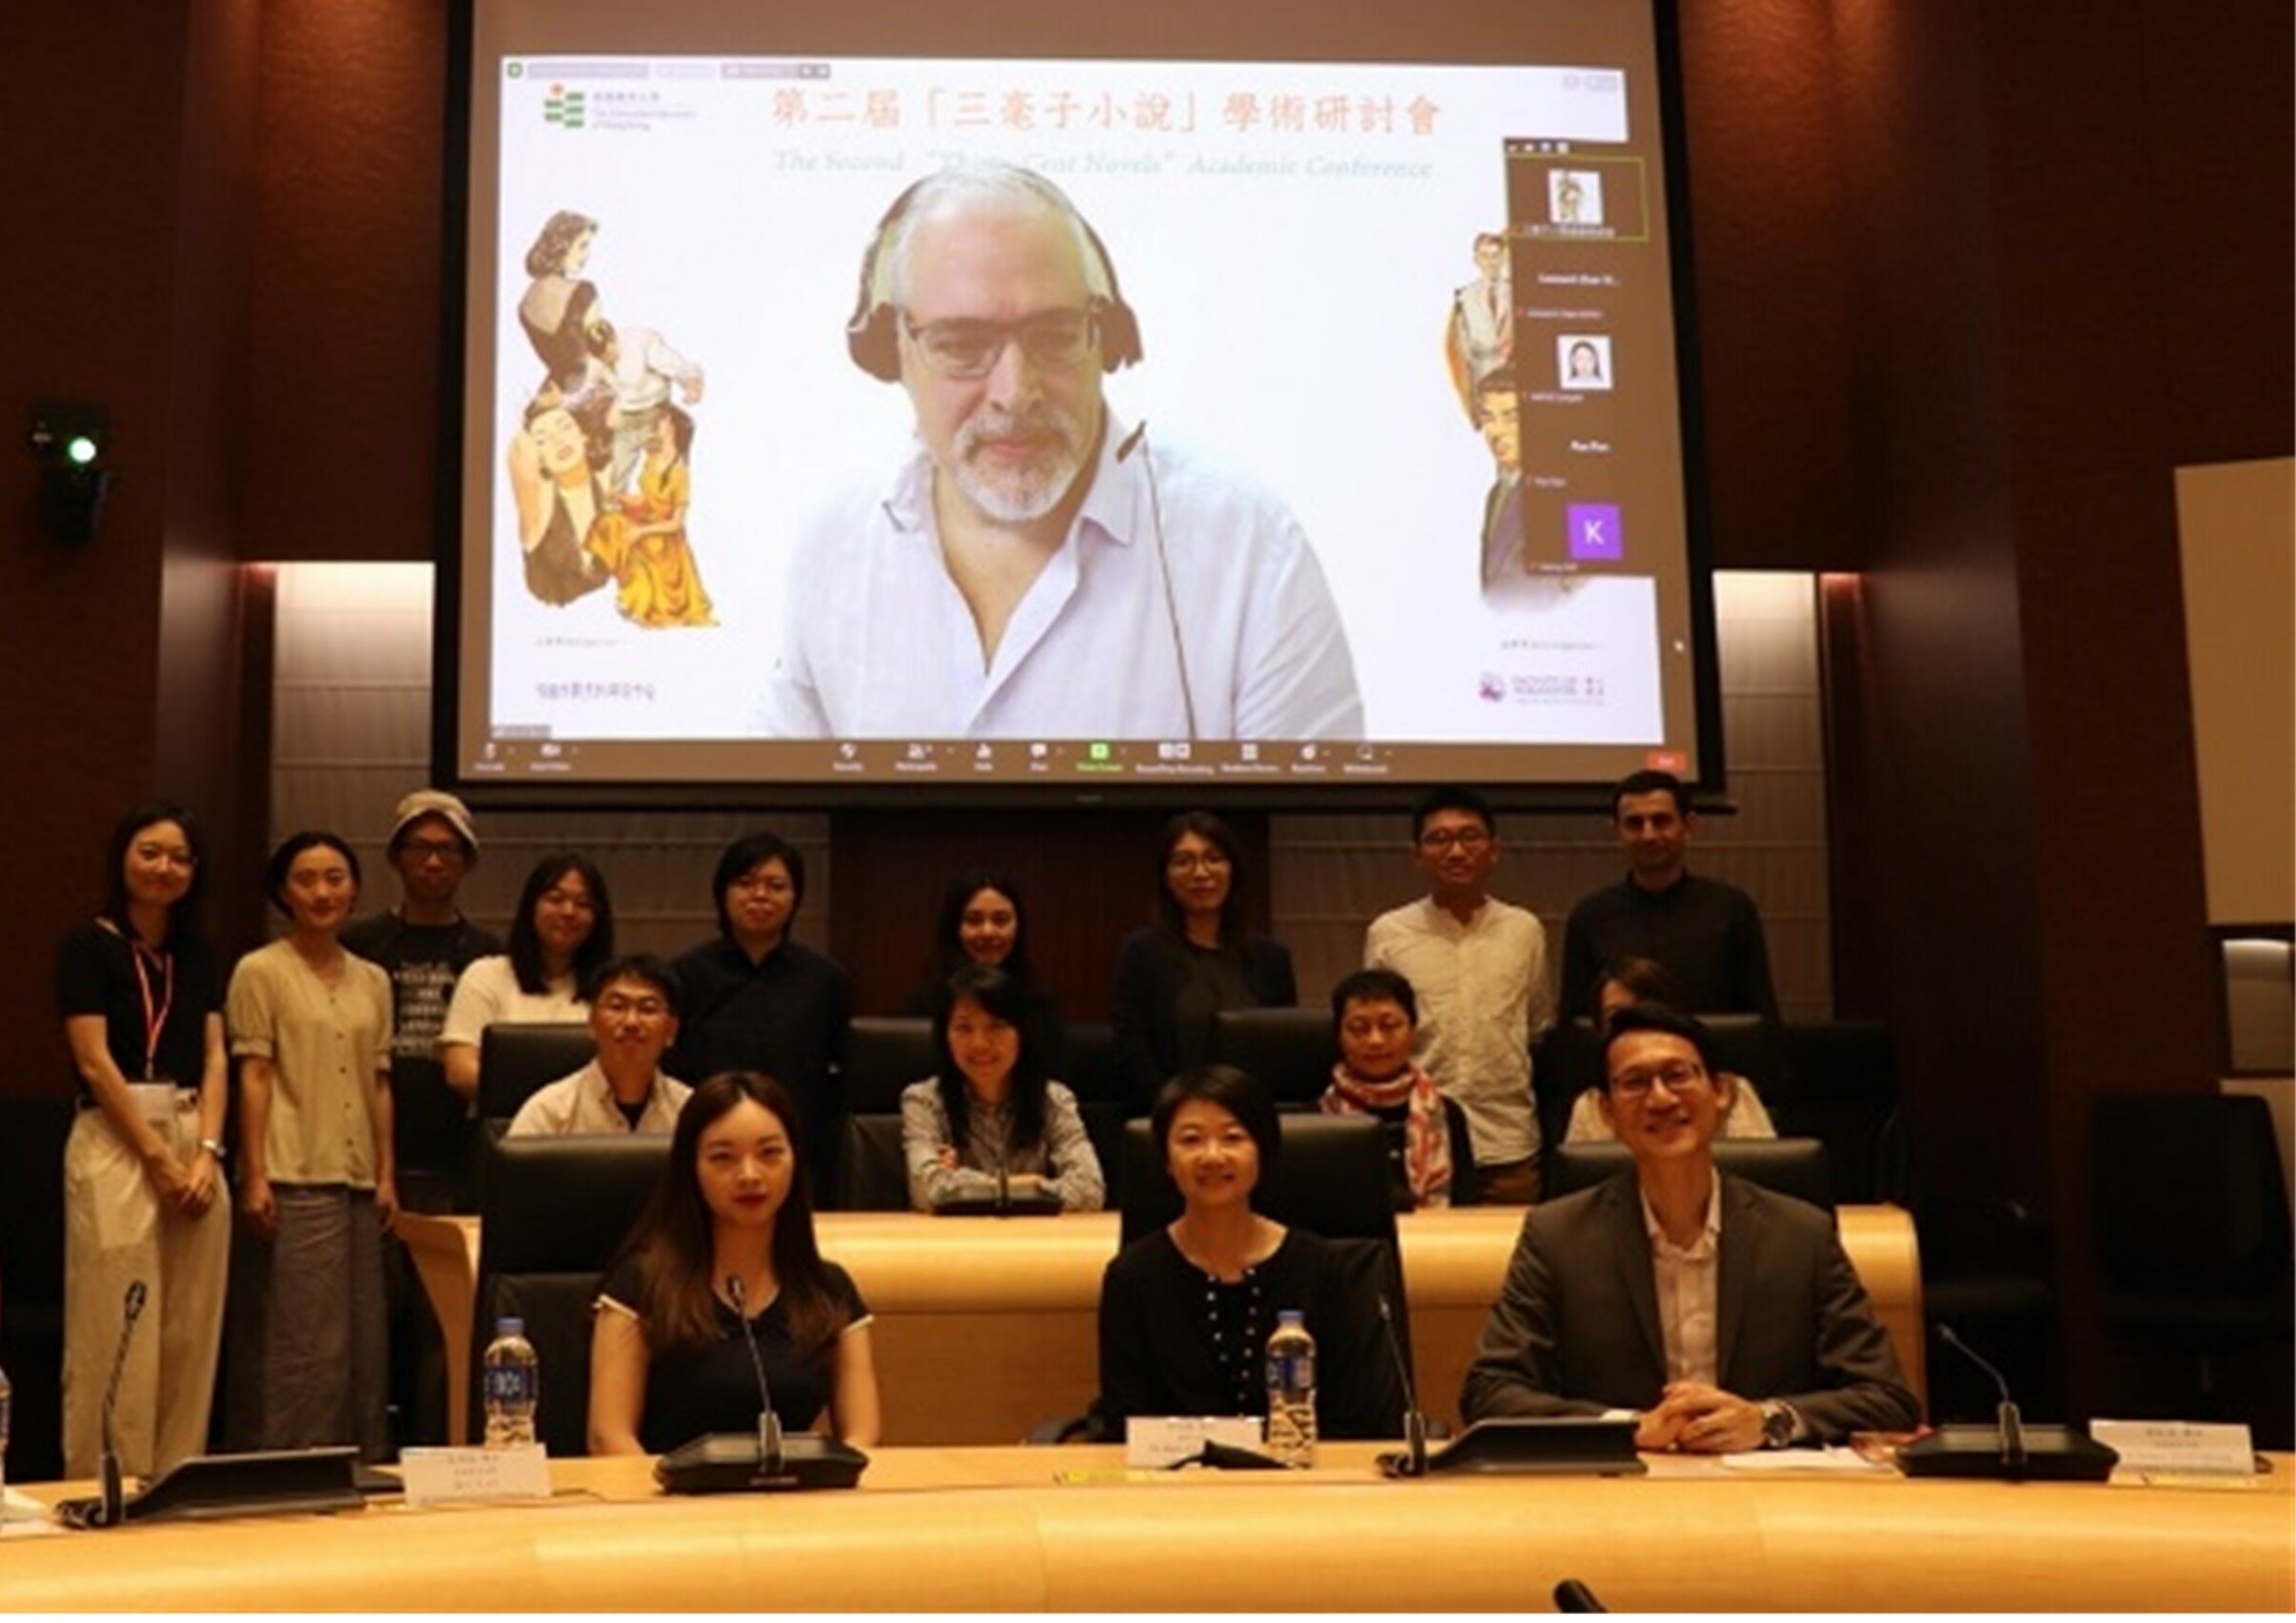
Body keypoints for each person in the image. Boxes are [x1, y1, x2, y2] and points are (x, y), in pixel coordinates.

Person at [762, 160, 1362, 742]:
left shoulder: (1248, 549)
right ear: (890, 349)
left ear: (1106, 337)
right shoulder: (835, 545)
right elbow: (782, 827)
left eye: (1055, 336)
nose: (1014, 392)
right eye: (963, 345)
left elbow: (1310, 832)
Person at [1460, 1005, 1918, 1449]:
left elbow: (1887, 1398)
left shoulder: (1802, 1235)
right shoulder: (1556, 1236)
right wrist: (1628, 1427)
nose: (1660, 1098)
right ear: (1606, 1112)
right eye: (1635, 1083)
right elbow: (1490, 1392)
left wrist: (1767, 1420)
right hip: (1618, 1498)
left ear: (1721, 1093)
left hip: (1770, 1495)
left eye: (1678, 1076)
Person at [54, 802, 231, 1478]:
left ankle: (178, 1478)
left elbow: (217, 1056)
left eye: (180, 857)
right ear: (122, 859)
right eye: (150, 852)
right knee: (117, 1321)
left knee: (190, 1324)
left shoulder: (199, 952)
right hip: (117, 1134)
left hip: (194, 1132)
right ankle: (108, 1484)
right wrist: (157, 1159)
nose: (165, 867)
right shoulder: (87, 945)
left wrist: (208, 1151)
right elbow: (94, 1061)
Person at [1093, 1066, 1406, 1440]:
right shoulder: (1133, 1276)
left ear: (1262, 1151)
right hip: (1175, 1490)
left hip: (1310, 1486)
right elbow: (1126, 1425)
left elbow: (1358, 1419)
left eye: (1232, 1138)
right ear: (1165, 1159)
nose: (1212, 1156)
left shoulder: (1325, 1268)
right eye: (1191, 1140)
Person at [589, 1072, 880, 1455]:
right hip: (668, 1505)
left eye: (769, 1153)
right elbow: (609, 1436)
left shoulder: (829, 1289)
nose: (749, 1175)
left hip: (795, 1505)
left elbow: (863, 1437)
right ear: (691, 1167)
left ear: (795, 1159)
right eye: (723, 1157)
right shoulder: (640, 1285)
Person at [225, 831, 396, 1457]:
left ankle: (358, 1473)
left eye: (335, 877)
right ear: (282, 891)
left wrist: (386, 1174)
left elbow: (381, 1082)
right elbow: (255, 1074)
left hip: (356, 1180)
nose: (322, 891)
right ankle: (288, 1473)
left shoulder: (373, 978)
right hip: (293, 1172)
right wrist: (255, 1172)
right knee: (302, 1346)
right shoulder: (260, 969)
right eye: (305, 878)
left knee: (362, 1345)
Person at [1364, 786, 1553, 1203]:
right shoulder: (1388, 934)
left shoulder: (1525, 930)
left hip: (1508, 1142)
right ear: (1416, 855)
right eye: (1439, 839)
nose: (1456, 851)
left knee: (1512, 1265)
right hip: (1419, 1141)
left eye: (1470, 837)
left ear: (1494, 850)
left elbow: (1536, 1023)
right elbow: (1373, 1035)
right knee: (1420, 1266)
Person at [342, 790, 500, 1205]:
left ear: (466, 861)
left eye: (447, 849)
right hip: (367, 1142)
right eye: (420, 848)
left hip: (461, 1149)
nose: (433, 862)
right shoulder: (357, 943)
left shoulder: (490, 955)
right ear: (396, 857)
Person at [669, 833, 851, 1189]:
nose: (760, 895)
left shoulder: (825, 978)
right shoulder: (686, 974)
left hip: (800, 1151)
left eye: (776, 885)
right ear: (722, 894)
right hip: (709, 1147)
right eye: (745, 883)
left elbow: (837, 1080)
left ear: (795, 897)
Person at [1558, 769, 1785, 1027]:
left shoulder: (1732, 910)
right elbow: (1574, 1027)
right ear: (1616, 831)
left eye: (1661, 820)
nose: (1649, 835)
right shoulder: (1589, 917)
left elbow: (1760, 1018)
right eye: (1634, 823)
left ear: (1689, 825)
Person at [1109, 812, 1297, 1112]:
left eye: (1213, 858)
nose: (1200, 873)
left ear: (1232, 869)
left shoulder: (1270, 956)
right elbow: (1131, 1050)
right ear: (1166, 877)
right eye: (1184, 861)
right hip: (1167, 1119)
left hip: (1250, 1120)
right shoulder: (1142, 952)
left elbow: (1282, 1049)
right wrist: (1178, 1109)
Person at [900, 964, 1103, 1213]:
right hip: (952, 1244)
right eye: (964, 1028)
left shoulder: (1054, 1098)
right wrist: (1031, 1185)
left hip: (1037, 1243)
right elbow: (928, 1193)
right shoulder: (923, 1100)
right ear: (945, 1037)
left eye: (996, 1026)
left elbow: (1090, 1191)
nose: (980, 1043)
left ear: (1022, 1033)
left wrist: (965, 1184)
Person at [439, 852, 615, 1105]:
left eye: (583, 904)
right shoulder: (487, 976)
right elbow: (460, 1071)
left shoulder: (611, 987)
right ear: (530, 907)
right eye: (555, 899)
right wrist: (543, 1111)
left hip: (592, 1131)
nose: (568, 911)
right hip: (507, 1133)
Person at [1563, 957, 1777, 1143]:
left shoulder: (1731, 1091)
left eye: (1677, 1077)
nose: (1636, 1024)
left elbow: (1761, 1175)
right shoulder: (1591, 1107)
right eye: (1615, 1017)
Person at [1318, 968, 1475, 1211]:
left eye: (1390, 1026)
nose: (1375, 1040)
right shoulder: (1317, 1118)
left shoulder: (1446, 1112)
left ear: (1412, 1031)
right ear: (1338, 1036)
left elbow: (1467, 1209)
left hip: (1437, 1242)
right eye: (1359, 1029)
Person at [506, 955, 691, 1138]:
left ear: (671, 1031)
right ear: (592, 1023)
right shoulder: (548, 1113)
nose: (631, 1022)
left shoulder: (691, 1113)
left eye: (648, 1009)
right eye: (617, 1007)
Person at [584, 405, 716, 628]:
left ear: (672, 427)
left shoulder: (679, 472)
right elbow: (646, 500)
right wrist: (622, 498)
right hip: (645, 519)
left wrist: (641, 531)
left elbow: (676, 523)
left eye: (662, 420)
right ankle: (601, 575)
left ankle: (636, 599)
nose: (656, 425)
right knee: (607, 521)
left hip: (665, 538)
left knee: (629, 533)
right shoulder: (652, 457)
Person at [507, 397, 612, 607]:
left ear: (583, 436)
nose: (558, 441)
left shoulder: (608, 483)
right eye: (542, 440)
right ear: (539, 457)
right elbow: (518, 445)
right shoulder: (539, 513)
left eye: (564, 428)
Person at [583, 315, 705, 491]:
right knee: (618, 475)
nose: (605, 357)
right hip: (627, 418)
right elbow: (587, 388)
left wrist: (691, 382)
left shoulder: (640, 343)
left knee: (663, 476)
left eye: (607, 351)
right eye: (600, 355)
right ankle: (617, 512)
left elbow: (676, 365)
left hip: (654, 412)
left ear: (612, 339)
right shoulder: (597, 361)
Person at [517, 209, 603, 394]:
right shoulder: (583, 292)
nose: (587, 255)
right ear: (563, 245)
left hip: (554, 394)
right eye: (582, 246)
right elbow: (600, 353)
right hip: (587, 393)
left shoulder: (525, 303)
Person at [1445, 229, 1514, 425]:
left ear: (1503, 258)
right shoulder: (1465, 297)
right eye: (1485, 256)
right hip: (1481, 375)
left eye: (1495, 256)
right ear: (1476, 260)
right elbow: (1463, 345)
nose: (1491, 262)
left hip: (1513, 375)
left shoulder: (1517, 291)